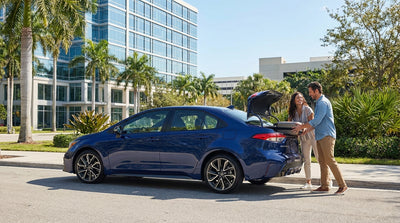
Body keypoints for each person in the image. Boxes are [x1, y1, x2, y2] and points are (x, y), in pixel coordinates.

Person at [293, 82, 348, 195]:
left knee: (329, 160)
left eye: (310, 92)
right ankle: (324, 185)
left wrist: (302, 126)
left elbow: (316, 120)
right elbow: (315, 123)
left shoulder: (322, 103)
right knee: (322, 161)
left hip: (327, 135)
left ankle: (342, 185)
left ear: (316, 91)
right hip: (320, 135)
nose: (309, 94)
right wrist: (306, 131)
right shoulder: (318, 103)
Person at [288, 92, 319, 190]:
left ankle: (327, 180)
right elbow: (290, 125)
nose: (300, 99)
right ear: (294, 100)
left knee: (319, 159)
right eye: (297, 98)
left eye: (301, 97)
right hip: (303, 138)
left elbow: (312, 123)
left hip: (313, 136)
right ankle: (308, 182)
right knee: (306, 160)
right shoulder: (292, 112)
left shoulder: (308, 109)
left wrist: (305, 128)